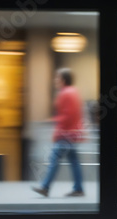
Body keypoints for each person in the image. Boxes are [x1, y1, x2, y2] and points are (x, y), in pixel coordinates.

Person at [32, 68, 85, 197]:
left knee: (54, 160)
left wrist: (53, 120)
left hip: (66, 134)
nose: (55, 80)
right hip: (72, 133)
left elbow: (67, 116)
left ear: (63, 80)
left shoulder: (65, 93)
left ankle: (45, 187)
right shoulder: (74, 92)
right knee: (73, 161)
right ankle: (78, 188)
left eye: (57, 77)